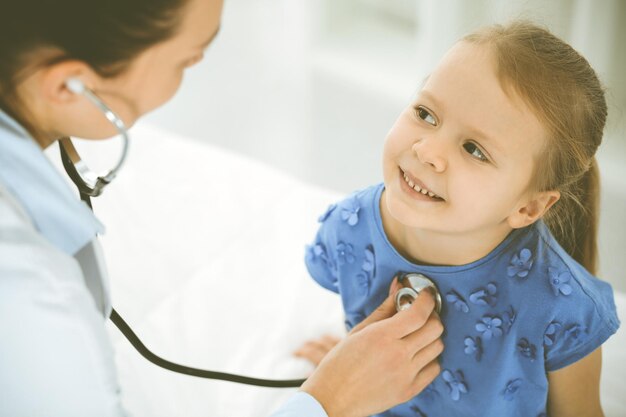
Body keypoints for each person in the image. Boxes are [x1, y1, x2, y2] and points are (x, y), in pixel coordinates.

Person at [0, 0, 445, 416]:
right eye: (186, 59)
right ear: (67, 86)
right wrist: (330, 400)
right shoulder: (30, 293)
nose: (197, 65)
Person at [300, 21, 621, 417]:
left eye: (474, 149)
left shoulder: (561, 308)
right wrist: (339, 383)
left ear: (529, 208)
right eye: (426, 113)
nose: (427, 150)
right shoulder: (349, 227)